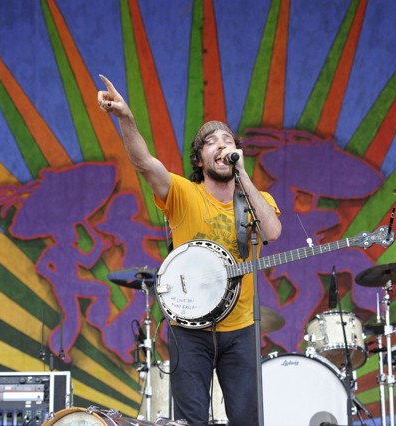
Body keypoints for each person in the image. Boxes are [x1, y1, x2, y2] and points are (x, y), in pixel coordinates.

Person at [97, 75, 282, 426]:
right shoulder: (183, 193)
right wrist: (126, 118)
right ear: (199, 160)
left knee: (247, 419)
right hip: (189, 326)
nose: (221, 145)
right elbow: (144, 163)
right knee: (190, 421)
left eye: (227, 140)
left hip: (241, 329)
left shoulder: (258, 201)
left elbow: (272, 231)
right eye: (211, 142)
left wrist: (243, 175)